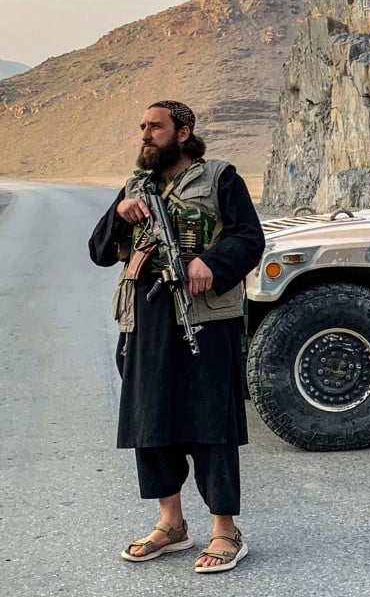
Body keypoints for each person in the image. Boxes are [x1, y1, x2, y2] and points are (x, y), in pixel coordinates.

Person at [88, 100, 265, 573]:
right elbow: (99, 252)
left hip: (203, 319)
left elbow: (250, 239)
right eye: (142, 126)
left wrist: (211, 262)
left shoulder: (220, 178)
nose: (145, 134)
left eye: (156, 127)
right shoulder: (136, 185)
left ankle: (225, 530)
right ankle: (171, 524)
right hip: (144, 325)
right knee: (151, 425)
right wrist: (119, 215)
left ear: (183, 133)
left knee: (211, 425)